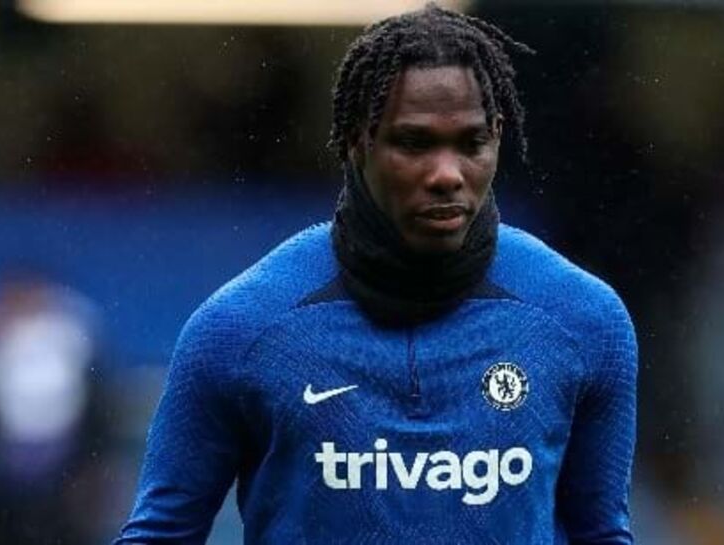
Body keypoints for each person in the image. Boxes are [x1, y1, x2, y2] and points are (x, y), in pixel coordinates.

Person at [115, 5, 638, 543]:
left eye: (471, 143)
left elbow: (602, 533)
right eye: (414, 143)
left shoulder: (583, 320)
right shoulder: (240, 329)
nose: (446, 174)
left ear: (498, 137)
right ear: (355, 141)